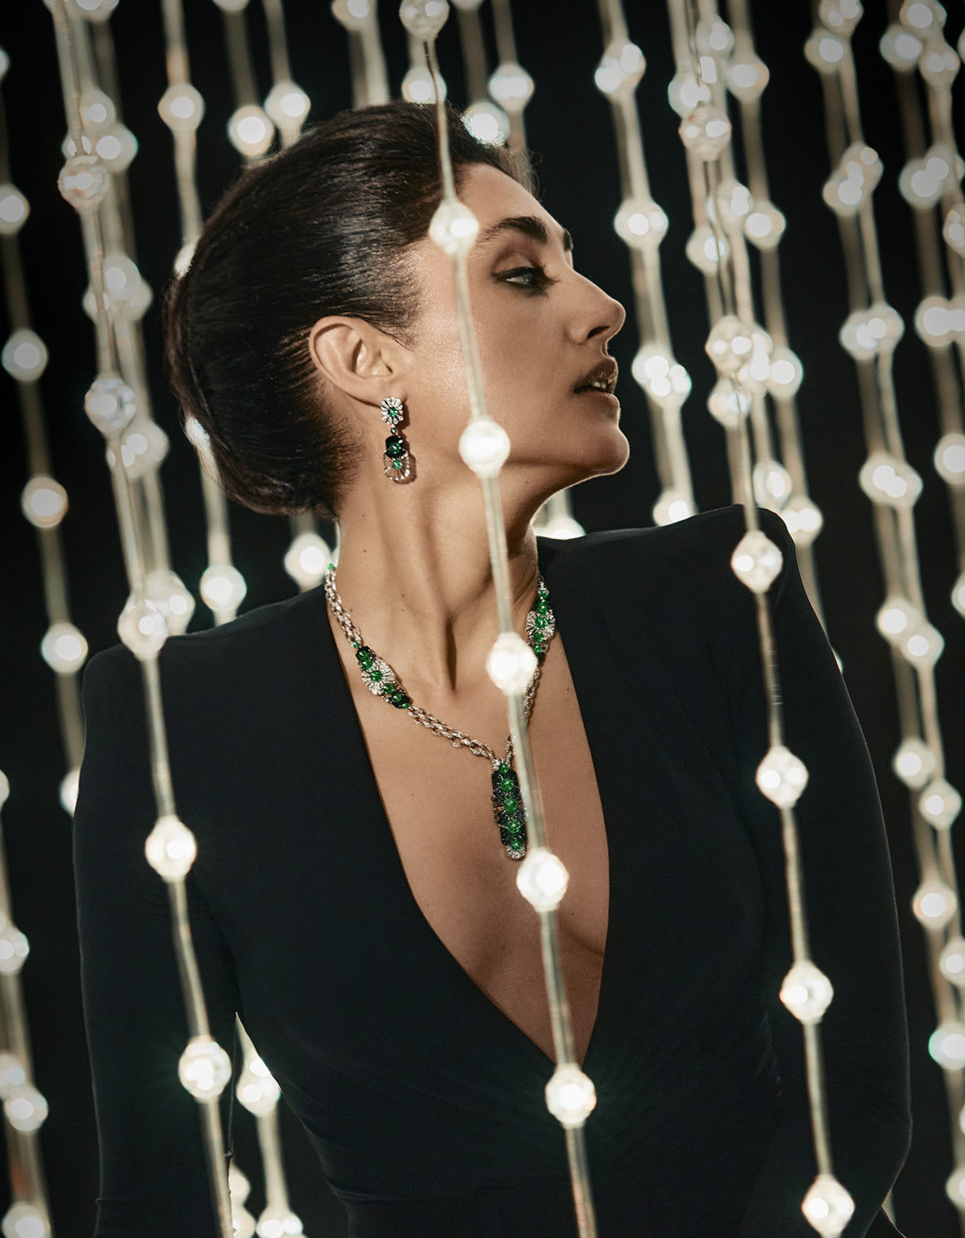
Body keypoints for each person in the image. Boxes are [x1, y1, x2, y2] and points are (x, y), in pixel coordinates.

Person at [74, 101, 911, 1238]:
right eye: (522, 275)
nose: (603, 306)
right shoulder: (178, 725)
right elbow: (157, 1196)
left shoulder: (723, 597)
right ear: (364, 359)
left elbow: (854, 1089)